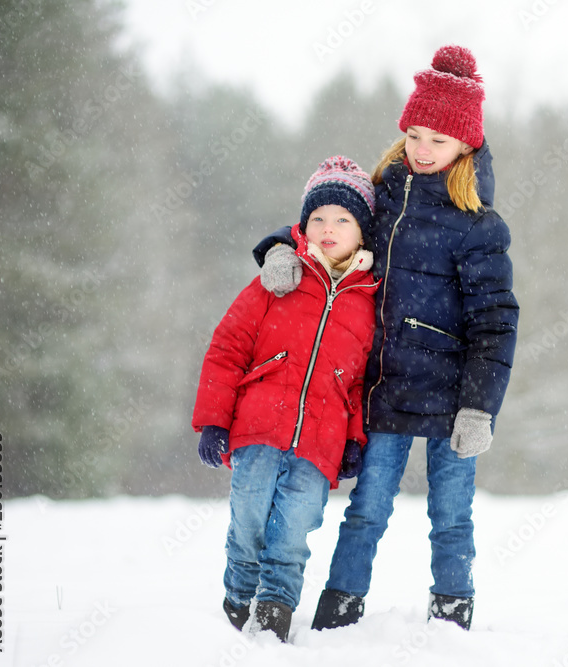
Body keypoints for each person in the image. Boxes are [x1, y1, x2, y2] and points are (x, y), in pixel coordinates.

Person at [252, 45, 518, 631]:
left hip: (453, 397)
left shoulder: (479, 226)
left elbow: (496, 320)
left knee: (451, 515)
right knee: (367, 509)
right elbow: (329, 223)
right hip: (386, 388)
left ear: (466, 148)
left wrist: (479, 406)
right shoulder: (385, 196)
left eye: (438, 141)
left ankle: (452, 616)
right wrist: (279, 247)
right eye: (415, 134)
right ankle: (339, 610)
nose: (423, 150)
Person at [192, 156, 380, 642]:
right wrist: (215, 421)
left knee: (293, 533)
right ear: (303, 224)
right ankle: (238, 602)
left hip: (321, 444)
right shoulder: (278, 281)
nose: (328, 229)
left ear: (363, 232)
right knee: (250, 520)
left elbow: (361, 383)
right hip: (257, 431)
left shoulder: (368, 302)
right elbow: (227, 348)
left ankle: (274, 611)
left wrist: (354, 439)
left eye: (343, 219)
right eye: (318, 218)